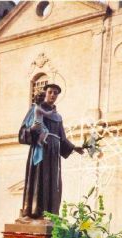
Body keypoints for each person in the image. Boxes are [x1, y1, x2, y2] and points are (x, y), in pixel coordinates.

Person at [18, 84, 84, 221]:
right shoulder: (35, 110)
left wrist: (74, 148)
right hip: (41, 150)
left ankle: (49, 213)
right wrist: (32, 129)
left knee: (52, 181)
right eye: (50, 92)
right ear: (45, 93)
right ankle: (32, 212)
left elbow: (62, 138)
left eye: (55, 93)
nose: (53, 95)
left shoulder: (58, 117)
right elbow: (22, 132)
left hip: (53, 153)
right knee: (37, 179)